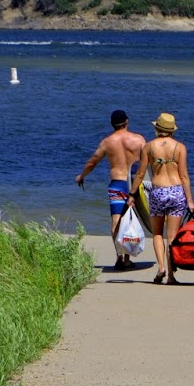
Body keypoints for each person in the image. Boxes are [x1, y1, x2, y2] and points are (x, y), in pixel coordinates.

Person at [75, 109, 146, 270]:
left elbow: (93, 162)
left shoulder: (107, 142)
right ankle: (127, 258)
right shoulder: (139, 140)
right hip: (134, 184)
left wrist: (81, 176)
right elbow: (148, 163)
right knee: (129, 219)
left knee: (116, 220)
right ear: (127, 122)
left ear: (112, 124)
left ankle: (119, 257)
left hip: (117, 184)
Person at [133, 112, 194, 284]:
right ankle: (171, 276)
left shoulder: (149, 146)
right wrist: (190, 200)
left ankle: (161, 267)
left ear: (157, 128)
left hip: (158, 191)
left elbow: (140, 174)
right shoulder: (180, 147)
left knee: (157, 233)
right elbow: (184, 177)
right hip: (176, 192)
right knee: (172, 236)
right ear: (172, 130)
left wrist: (132, 194)